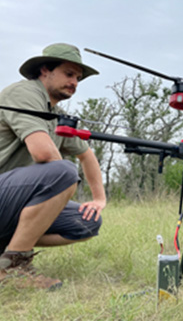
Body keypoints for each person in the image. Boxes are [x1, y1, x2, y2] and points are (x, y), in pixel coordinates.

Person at [0, 43, 106, 289]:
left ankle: (8, 249)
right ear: (45, 70)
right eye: (69, 74)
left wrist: (99, 199)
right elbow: (43, 153)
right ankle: (12, 269)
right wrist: (62, 184)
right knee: (63, 171)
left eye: (78, 78)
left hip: (11, 202)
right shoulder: (24, 93)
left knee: (87, 222)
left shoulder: (54, 113)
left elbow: (87, 155)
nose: (75, 83)